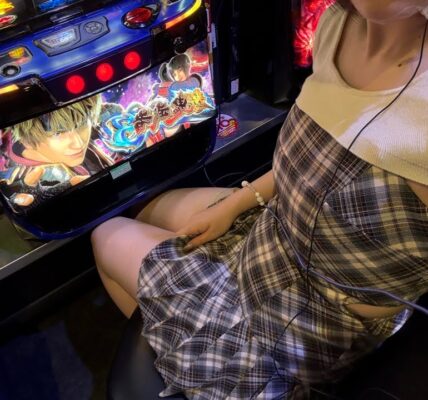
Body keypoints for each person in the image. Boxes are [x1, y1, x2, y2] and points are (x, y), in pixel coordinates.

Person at [91, 0, 428, 398]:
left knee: (107, 235)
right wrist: (237, 202)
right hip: (275, 230)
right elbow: (318, 158)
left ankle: (193, 365)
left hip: (305, 323)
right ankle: (176, 342)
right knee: (149, 209)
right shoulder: (338, 24)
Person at [0, 95, 117, 210]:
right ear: (27, 140)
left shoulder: (84, 124)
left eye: (81, 124)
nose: (79, 144)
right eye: (58, 133)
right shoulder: (17, 175)